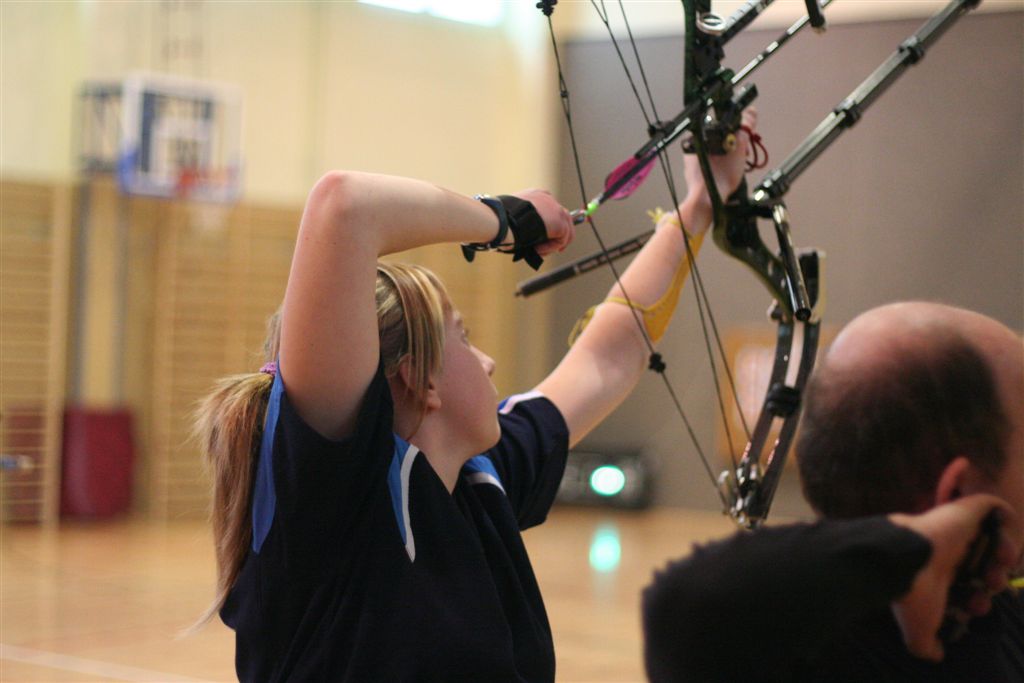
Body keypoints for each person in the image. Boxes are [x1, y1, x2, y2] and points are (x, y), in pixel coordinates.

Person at [192, 110, 758, 681]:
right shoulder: (329, 499)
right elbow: (343, 205)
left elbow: (606, 358)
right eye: (464, 336)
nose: (488, 362)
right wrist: (502, 220)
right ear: (420, 378)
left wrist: (700, 204)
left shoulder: (476, 480)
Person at [642, 302, 1024, 682]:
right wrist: (912, 546)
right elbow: (686, 604)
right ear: (956, 493)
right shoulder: (817, 658)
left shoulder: (996, 614)